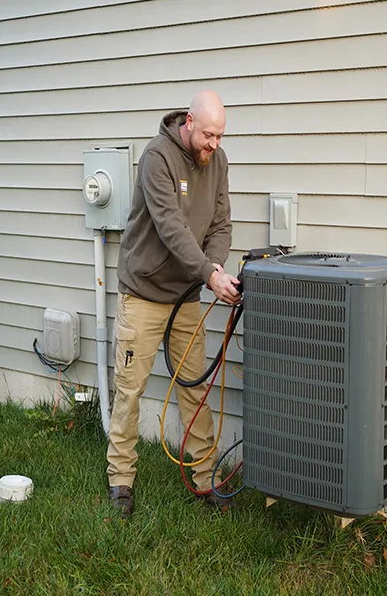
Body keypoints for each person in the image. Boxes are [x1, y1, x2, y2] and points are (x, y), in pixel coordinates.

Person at [107, 90, 241, 518]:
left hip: (186, 294)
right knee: (130, 390)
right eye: (208, 135)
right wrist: (210, 275)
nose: (213, 144)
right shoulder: (156, 158)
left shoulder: (217, 161)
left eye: (220, 136)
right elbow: (171, 228)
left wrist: (213, 267)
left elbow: (220, 224)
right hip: (144, 292)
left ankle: (205, 478)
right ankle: (121, 480)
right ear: (188, 122)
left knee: (194, 387)